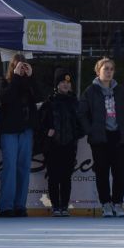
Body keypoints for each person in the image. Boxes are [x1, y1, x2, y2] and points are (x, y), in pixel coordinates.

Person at [78, 57, 124, 218]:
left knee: (120, 172)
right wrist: (91, 131)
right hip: (100, 138)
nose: (109, 72)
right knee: (102, 172)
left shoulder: (120, 90)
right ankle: (106, 203)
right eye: (105, 69)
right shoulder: (90, 91)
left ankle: (117, 203)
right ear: (98, 71)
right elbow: (82, 113)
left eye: (111, 69)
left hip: (119, 137)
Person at [39, 68, 85, 217]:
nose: (66, 85)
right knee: (53, 177)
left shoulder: (75, 103)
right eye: (62, 82)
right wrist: (47, 132)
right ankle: (55, 206)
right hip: (53, 146)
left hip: (69, 146)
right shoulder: (49, 103)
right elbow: (39, 124)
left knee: (66, 177)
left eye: (68, 82)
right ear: (57, 85)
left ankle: (64, 206)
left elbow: (82, 124)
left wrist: (75, 135)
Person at [0, 54, 38, 217]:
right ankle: (6, 206)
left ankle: (20, 205)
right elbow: (5, 98)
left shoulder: (29, 83)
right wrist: (16, 78)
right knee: (10, 168)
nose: (22, 69)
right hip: (9, 131)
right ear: (12, 67)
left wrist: (31, 77)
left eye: (24, 66)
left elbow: (40, 96)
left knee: (23, 168)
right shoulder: (4, 81)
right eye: (19, 66)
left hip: (26, 130)